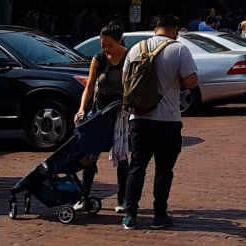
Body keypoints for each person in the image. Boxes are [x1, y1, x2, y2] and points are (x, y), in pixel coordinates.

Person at [122, 14, 198, 230]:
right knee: (164, 170)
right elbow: (192, 82)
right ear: (175, 30)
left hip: (139, 118)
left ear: (156, 29)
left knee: (137, 166)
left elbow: (125, 82)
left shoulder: (135, 49)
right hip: (167, 119)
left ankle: (130, 214)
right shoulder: (179, 49)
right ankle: (159, 215)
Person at [75, 21, 130, 213]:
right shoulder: (98, 59)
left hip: (121, 111)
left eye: (110, 45)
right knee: (90, 152)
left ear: (119, 41)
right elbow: (90, 86)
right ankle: (84, 196)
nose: (106, 49)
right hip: (101, 108)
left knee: (122, 155)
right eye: (103, 45)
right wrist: (82, 109)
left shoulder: (129, 57)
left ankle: (123, 199)